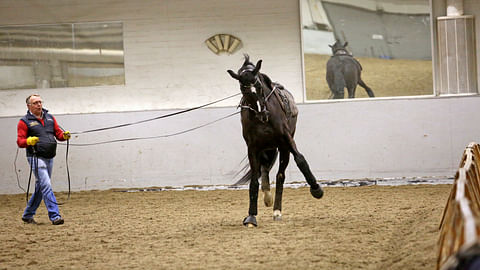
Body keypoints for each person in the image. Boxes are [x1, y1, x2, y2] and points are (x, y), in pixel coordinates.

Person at [16, 94, 71, 225]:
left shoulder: (50, 118)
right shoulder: (24, 121)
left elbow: (58, 134)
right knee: (46, 185)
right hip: (36, 158)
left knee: (41, 187)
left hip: (50, 157)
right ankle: (55, 215)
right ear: (29, 106)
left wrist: (64, 136)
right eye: (35, 103)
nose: (39, 105)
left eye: (40, 102)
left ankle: (28, 214)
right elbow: (20, 141)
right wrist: (28, 141)